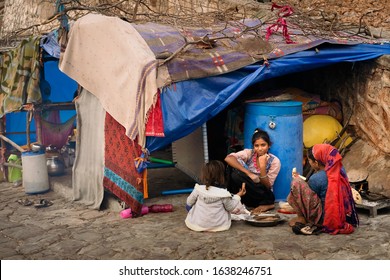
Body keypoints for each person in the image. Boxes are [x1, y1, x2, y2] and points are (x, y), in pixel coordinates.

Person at [287, 143, 359, 234]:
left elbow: (307, 195)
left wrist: (297, 180)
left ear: (316, 163)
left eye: (309, 160)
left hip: (326, 217)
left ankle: (302, 218)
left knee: (296, 183)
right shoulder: (341, 170)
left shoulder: (317, 178)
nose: (309, 162)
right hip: (342, 214)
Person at [224, 128, 281, 210]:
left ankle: (268, 204)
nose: (260, 149)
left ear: (269, 145)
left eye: (263, 145)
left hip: (264, 196)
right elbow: (228, 158)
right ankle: (232, 199)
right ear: (253, 146)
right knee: (233, 168)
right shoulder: (249, 153)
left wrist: (262, 167)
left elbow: (268, 186)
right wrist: (249, 173)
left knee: (267, 195)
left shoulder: (274, 161)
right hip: (247, 193)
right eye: (256, 146)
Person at [185, 160, 246, 232]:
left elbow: (188, 203)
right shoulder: (223, 194)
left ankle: (198, 219)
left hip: (196, 225)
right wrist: (238, 195)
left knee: (194, 205)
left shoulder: (198, 189)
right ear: (222, 176)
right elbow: (230, 208)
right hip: (219, 226)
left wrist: (193, 212)